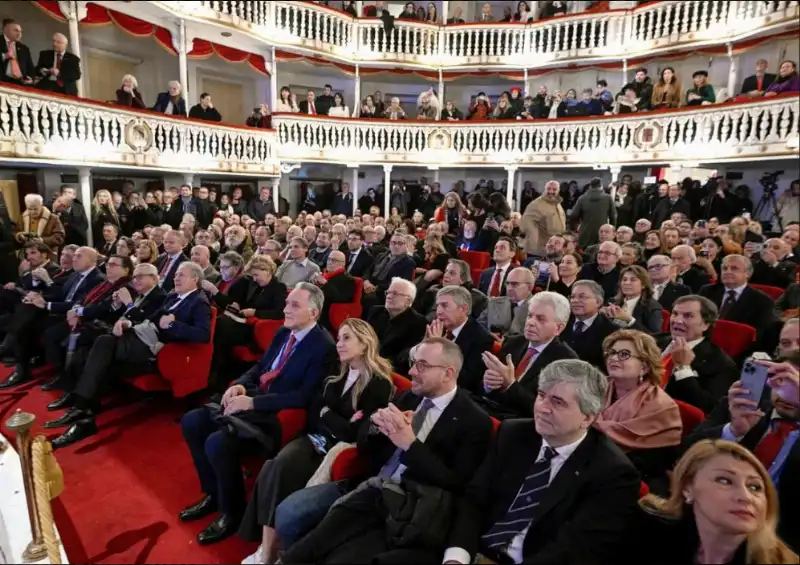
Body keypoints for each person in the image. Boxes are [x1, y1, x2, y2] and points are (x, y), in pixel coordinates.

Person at [280, 337, 494, 564]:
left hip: (409, 507)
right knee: (290, 518)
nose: (411, 371)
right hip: (370, 484)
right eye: (413, 362)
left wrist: (410, 445)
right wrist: (374, 425)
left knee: (338, 555)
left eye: (422, 365)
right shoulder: (409, 397)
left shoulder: (474, 421)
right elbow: (365, 446)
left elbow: (456, 484)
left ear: (448, 374)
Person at [179, 283, 337, 545]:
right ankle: (214, 494)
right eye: (287, 303)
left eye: (294, 305)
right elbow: (260, 368)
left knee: (217, 442)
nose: (285, 309)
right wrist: (241, 384)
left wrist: (253, 403)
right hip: (253, 398)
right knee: (192, 421)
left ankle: (232, 512)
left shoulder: (324, 347)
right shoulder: (283, 332)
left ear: (314, 312)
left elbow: (305, 396)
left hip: (273, 415)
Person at [444, 359, 641, 565]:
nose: (542, 408)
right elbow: (474, 501)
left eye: (557, 402)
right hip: (474, 551)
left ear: (587, 418)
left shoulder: (612, 473)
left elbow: (574, 551)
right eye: (541, 395)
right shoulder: (513, 433)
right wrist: (457, 557)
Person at [238, 318, 395, 561]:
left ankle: (269, 552)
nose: (339, 344)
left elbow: (355, 434)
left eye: (346, 338)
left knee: (279, 467)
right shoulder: (336, 373)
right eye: (339, 337)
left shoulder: (378, 384)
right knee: (274, 467)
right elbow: (315, 412)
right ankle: (266, 549)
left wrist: (328, 415)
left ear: (364, 344)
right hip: (314, 438)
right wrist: (336, 417)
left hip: (338, 451)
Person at [45, 262, 211, 449]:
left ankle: (81, 407)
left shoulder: (199, 301)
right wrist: (129, 325)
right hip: (140, 339)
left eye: (181, 275)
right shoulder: (174, 296)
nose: (175, 278)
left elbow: (203, 335)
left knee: (102, 344)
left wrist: (173, 325)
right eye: (176, 275)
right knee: (100, 349)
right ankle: (84, 411)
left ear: (195, 279)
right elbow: (151, 319)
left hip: (156, 350)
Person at [685, 358, 800, 552]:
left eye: (795, 386)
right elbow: (685, 452)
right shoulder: (746, 404)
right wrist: (734, 432)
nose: (786, 395)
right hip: (711, 521)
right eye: (781, 381)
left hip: (782, 540)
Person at [630, 439, 798, 563]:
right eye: (724, 481)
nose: (745, 497)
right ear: (687, 488)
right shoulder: (647, 538)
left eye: (755, 487)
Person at [599, 329, 682, 486]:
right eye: (611, 353)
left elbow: (656, 464)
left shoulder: (662, 407)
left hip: (636, 479)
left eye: (624, 354)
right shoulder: (595, 389)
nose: (613, 358)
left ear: (643, 367)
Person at [480, 292, 578, 419]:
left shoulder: (566, 361)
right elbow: (485, 391)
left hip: (522, 422)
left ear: (558, 328)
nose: (531, 322)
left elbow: (546, 410)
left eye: (540, 319)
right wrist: (488, 384)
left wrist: (511, 385)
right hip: (489, 410)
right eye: (530, 316)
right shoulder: (513, 342)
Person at [660, 295, 738, 414]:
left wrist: (683, 369)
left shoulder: (721, 364)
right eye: (675, 314)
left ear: (705, 324)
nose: (677, 321)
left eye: (688, 316)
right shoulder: (653, 341)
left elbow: (707, 408)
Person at [428, 285, 494, 394]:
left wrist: (439, 349)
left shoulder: (481, 338)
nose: (438, 311)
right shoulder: (437, 326)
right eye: (438, 306)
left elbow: (468, 381)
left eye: (444, 305)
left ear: (463, 309)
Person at [699, 254, 777, 342]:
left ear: (747, 273)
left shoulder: (763, 302)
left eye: (734, 268)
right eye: (724, 268)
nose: (727, 272)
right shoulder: (707, 291)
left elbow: (759, 335)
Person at [365, 277, 427, 374]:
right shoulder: (375, 311)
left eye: (395, 293)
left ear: (408, 301)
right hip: (365, 361)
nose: (389, 296)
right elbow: (364, 339)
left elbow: (403, 360)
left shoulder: (419, 323)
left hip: (388, 370)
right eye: (388, 292)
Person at [561, 280, 618, 370]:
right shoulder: (561, 323)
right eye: (572, 297)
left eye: (582, 297)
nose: (575, 301)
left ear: (598, 302)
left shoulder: (611, 331)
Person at [604, 265, 664, 334]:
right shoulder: (612, 302)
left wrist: (630, 320)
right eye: (624, 279)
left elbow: (655, 336)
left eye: (633, 280)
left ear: (643, 285)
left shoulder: (652, 307)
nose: (627, 283)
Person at [361, 233, 415, 310]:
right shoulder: (381, 256)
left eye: (400, 243)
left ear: (405, 246)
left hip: (386, 291)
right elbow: (368, 270)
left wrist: (376, 288)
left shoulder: (408, 262)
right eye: (393, 243)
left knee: (369, 299)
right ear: (389, 244)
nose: (396, 246)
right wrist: (366, 281)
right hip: (369, 285)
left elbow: (402, 283)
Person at [478, 266, 534, 338]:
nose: (509, 288)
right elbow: (478, 327)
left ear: (529, 287)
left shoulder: (537, 308)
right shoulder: (494, 303)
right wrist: (488, 334)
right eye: (507, 283)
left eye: (515, 284)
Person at [311, 250, 357, 331]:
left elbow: (342, 298)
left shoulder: (348, 280)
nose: (329, 262)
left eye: (334, 260)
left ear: (343, 264)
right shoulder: (323, 275)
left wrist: (325, 284)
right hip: (314, 307)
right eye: (329, 259)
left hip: (327, 313)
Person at [521, 180, 566, 257]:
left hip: (553, 249)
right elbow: (526, 224)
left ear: (558, 191)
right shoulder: (536, 204)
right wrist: (536, 243)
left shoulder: (557, 204)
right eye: (548, 189)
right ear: (544, 189)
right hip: (538, 251)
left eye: (554, 189)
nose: (551, 191)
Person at [570, 177, 617, 249]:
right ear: (601, 186)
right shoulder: (608, 198)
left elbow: (573, 215)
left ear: (590, 186)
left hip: (585, 232)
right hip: (603, 233)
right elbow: (613, 216)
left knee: (585, 255)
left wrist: (574, 228)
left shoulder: (582, 198)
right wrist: (612, 231)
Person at [1, 19, 34, 86]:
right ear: (6, 30)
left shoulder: (24, 48)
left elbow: (31, 69)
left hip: (20, 83)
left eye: (20, 31)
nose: (19, 34)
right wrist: (4, 56)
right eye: (16, 30)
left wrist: (31, 79)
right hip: (2, 80)